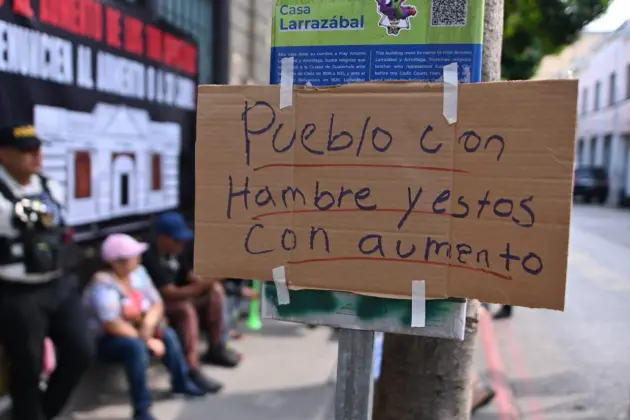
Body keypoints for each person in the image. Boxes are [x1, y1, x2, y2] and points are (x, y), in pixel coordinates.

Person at [0, 123, 93, 420]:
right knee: (27, 367)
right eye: (26, 151)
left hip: (59, 284)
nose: (35, 156)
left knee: (81, 351)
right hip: (19, 291)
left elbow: (56, 227)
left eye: (38, 149)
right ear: (4, 154)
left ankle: (44, 413)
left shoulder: (50, 186)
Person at [84, 233, 206, 420]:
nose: (138, 259)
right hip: (105, 338)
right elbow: (112, 323)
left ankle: (181, 383)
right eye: (133, 256)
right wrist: (147, 340)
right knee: (136, 349)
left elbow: (156, 303)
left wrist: (149, 324)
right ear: (117, 262)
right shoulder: (103, 284)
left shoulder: (138, 273)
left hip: (138, 328)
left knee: (168, 335)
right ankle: (142, 409)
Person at [142, 212, 240, 374]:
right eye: (177, 240)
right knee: (185, 308)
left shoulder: (178, 252)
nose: (181, 244)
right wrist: (202, 286)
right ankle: (191, 366)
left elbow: (190, 275)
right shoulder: (151, 257)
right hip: (159, 307)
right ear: (162, 238)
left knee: (215, 292)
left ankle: (217, 347)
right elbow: (169, 293)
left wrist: (210, 280)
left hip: (183, 297)